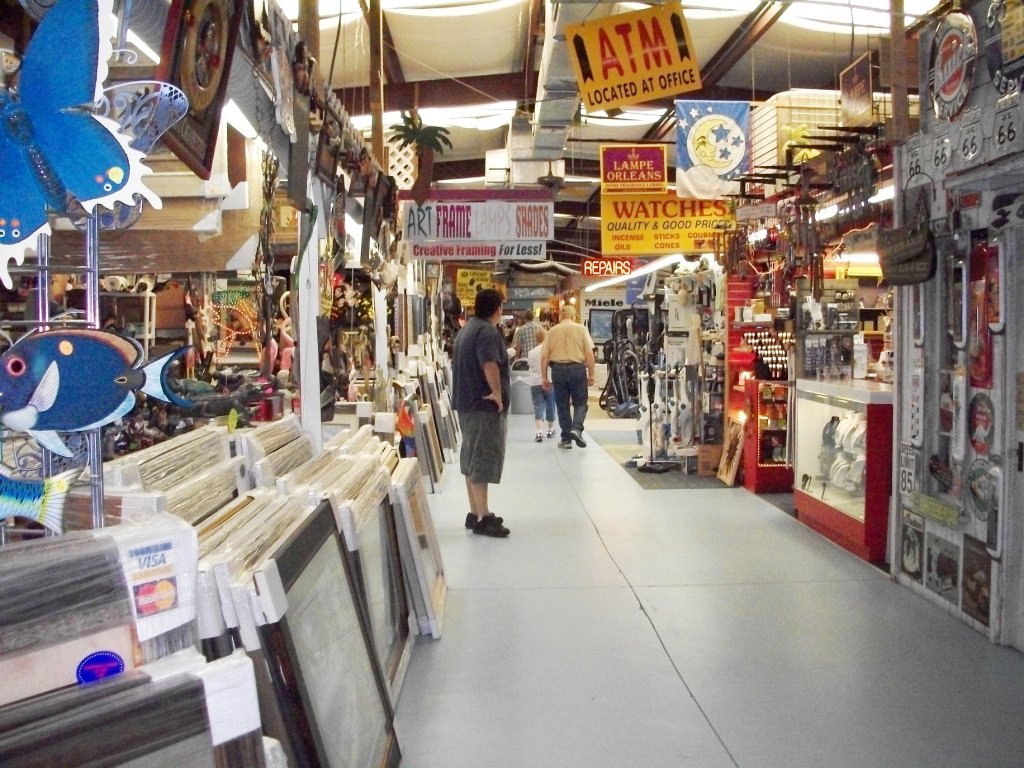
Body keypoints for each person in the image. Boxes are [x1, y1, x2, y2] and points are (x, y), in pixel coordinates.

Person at [451, 288, 511, 538]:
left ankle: (475, 512)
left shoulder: (467, 329)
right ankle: (483, 516)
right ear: (498, 309)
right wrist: (497, 393)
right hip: (483, 406)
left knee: (471, 459)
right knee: (482, 459)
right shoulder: (487, 332)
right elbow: (489, 363)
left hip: (467, 404)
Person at [541, 304, 595, 450]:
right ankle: (576, 429)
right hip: (577, 369)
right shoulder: (581, 329)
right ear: (574, 315)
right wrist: (592, 374)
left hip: (558, 370)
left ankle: (566, 440)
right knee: (581, 403)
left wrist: (544, 377)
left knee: (562, 405)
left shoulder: (552, 331)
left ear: (561, 316)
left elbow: (544, 356)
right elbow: (589, 354)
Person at [527, 327, 556, 442]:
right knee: (550, 404)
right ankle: (550, 429)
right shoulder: (550, 351)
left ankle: (539, 432)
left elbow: (530, 365)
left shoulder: (531, 352)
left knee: (538, 405)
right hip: (548, 381)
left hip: (534, 382)